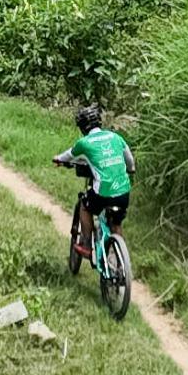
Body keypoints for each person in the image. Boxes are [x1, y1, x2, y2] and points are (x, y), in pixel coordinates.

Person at [55, 106, 132, 270]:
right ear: (99, 121)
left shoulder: (84, 143)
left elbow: (67, 156)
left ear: (82, 126)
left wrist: (58, 159)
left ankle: (87, 245)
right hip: (124, 192)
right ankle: (117, 259)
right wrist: (130, 169)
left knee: (85, 206)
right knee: (116, 222)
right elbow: (129, 160)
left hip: (103, 193)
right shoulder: (115, 137)